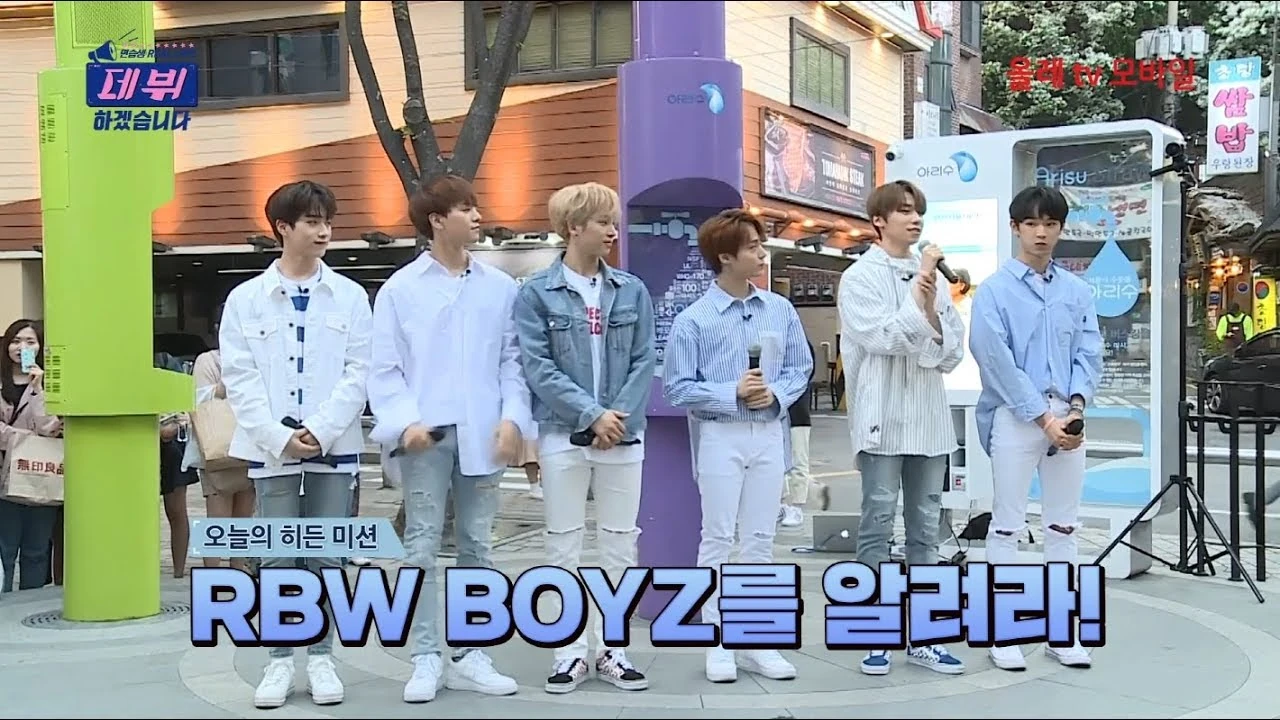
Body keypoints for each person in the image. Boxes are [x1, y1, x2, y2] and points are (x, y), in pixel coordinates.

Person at [367, 174, 532, 704]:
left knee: (478, 544)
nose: (478, 216)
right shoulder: (401, 289)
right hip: (427, 434)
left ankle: (471, 652)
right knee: (420, 543)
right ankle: (425, 655)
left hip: (484, 430)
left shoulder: (500, 287)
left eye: (476, 206)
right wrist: (404, 422)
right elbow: (384, 367)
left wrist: (514, 419)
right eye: (465, 208)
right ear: (437, 221)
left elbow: (512, 360)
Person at [219, 180, 373, 708]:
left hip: (335, 445)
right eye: (311, 221)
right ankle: (280, 660)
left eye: (327, 220)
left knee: (328, 554)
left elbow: (359, 371)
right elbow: (239, 377)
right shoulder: (245, 299)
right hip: (271, 448)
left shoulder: (350, 296)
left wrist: (322, 429)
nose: (324, 231)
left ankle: (323, 657)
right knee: (279, 555)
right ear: (283, 228)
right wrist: (279, 436)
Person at [514, 182, 657, 694]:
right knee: (563, 544)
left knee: (621, 542)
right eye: (603, 222)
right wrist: (592, 415)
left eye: (613, 221)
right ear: (574, 227)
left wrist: (614, 418)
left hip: (624, 434)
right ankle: (569, 651)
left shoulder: (631, 289)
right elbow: (538, 367)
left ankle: (614, 649)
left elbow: (644, 358)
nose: (613, 231)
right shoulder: (535, 292)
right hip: (562, 433)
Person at [663, 208, 813, 684]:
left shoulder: (779, 309)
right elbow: (677, 388)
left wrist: (777, 394)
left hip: (768, 431)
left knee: (760, 539)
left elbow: (800, 367)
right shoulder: (693, 320)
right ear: (725, 256)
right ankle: (717, 640)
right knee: (717, 537)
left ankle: (756, 639)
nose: (762, 254)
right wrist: (732, 392)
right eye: (752, 247)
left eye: (761, 245)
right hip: (719, 434)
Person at [968, 185, 1102, 672]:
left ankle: (1062, 632)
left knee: (1064, 525)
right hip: (1016, 416)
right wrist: (1043, 418)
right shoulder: (994, 290)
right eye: (1031, 223)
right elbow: (994, 359)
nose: (1041, 232)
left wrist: (1075, 408)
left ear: (1061, 229)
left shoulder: (1077, 291)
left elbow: (1089, 352)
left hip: (1067, 415)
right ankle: (1002, 632)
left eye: (1050, 223)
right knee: (1006, 523)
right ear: (1015, 227)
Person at [836, 179, 967, 677]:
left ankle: (925, 636)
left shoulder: (929, 276)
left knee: (927, 527)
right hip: (881, 418)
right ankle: (874, 631)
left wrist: (929, 308)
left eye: (918, 213)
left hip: (929, 420)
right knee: (877, 523)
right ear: (879, 220)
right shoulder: (859, 278)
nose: (915, 220)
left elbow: (949, 351)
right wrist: (921, 303)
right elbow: (884, 338)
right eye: (905, 211)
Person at [0, 319, 62, 593]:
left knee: (36, 550)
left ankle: (30, 602)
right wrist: (22, 438)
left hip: (40, 474)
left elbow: (49, 428)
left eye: (29, 342)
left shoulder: (50, 383)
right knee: (5, 548)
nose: (21, 347)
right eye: (15, 341)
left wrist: (38, 390)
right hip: (3, 475)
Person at [779, 339, 816, 528]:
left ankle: (796, 505)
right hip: (773, 411)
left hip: (797, 411)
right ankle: (780, 503)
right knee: (775, 460)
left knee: (798, 458)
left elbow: (808, 371)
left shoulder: (800, 342)